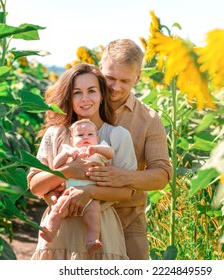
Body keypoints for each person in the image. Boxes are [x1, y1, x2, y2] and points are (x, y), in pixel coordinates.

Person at [48, 39, 173, 260]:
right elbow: (47, 167)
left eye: (125, 80)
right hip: (74, 216)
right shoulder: (79, 111)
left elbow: (162, 175)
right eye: (110, 78)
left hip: (127, 217)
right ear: (99, 69)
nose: (116, 87)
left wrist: (123, 177)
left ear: (138, 77)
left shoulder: (149, 119)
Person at [28, 63, 137, 260]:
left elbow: (127, 192)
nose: (85, 99)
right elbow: (35, 187)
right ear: (69, 97)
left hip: (101, 230)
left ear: (102, 95)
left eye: (92, 91)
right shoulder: (55, 134)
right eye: (77, 92)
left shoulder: (118, 136)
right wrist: (69, 170)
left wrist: (89, 192)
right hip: (58, 234)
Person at [39, 119, 115, 255]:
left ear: (97, 137)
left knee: (93, 217)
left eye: (90, 134)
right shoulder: (70, 151)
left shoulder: (99, 152)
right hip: (68, 193)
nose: (86, 137)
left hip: (91, 197)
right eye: (80, 135)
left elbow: (111, 153)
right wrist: (66, 155)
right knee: (57, 210)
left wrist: (96, 148)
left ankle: (92, 241)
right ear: (72, 139)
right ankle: (50, 231)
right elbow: (55, 166)